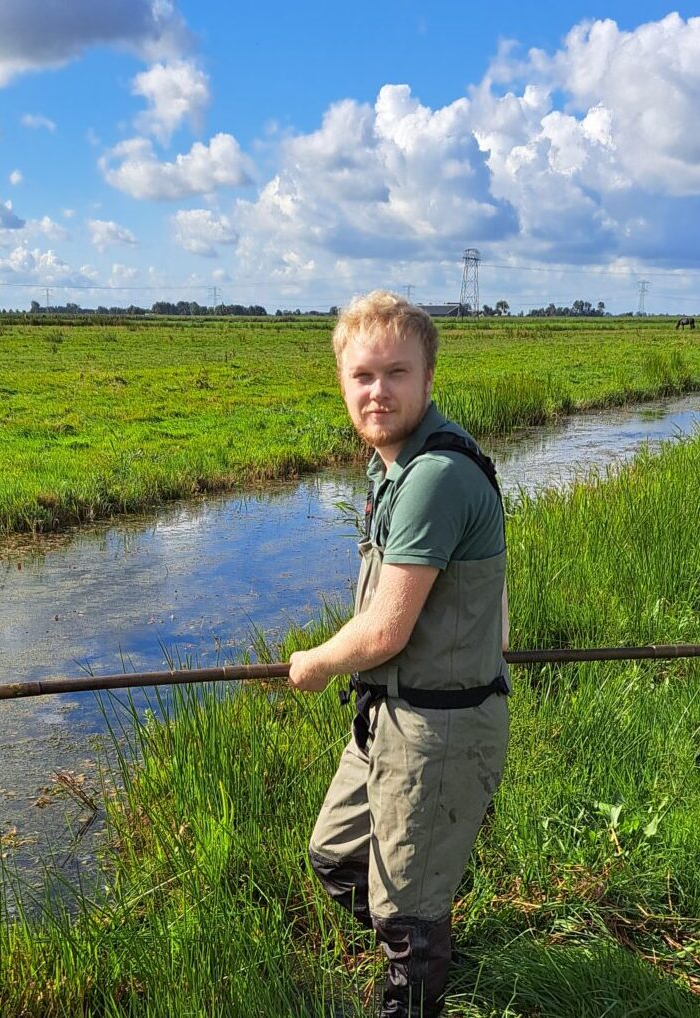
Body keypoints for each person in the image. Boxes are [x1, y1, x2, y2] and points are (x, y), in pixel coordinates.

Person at [288, 291, 510, 1018]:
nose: (377, 391)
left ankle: (417, 968)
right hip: (388, 715)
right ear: (342, 384)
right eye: (361, 376)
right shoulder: (392, 470)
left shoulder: (436, 478)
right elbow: (492, 606)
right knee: (334, 857)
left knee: (406, 923)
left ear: (427, 379)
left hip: (434, 729)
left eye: (395, 373)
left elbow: (383, 633)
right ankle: (425, 946)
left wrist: (315, 663)